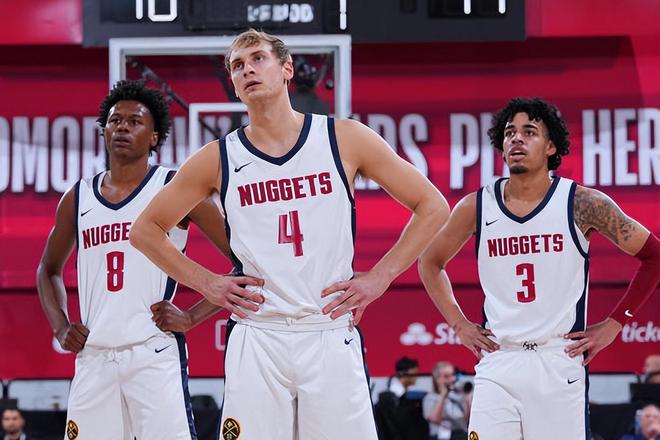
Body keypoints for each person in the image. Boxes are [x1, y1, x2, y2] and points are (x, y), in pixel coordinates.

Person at [130, 29, 449, 439]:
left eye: (257, 58)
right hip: (258, 334)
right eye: (237, 66)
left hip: (327, 328)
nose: (248, 70)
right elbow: (145, 230)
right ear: (234, 84)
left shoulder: (343, 138)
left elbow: (433, 205)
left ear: (286, 69)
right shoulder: (217, 158)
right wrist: (207, 282)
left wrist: (380, 277)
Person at [418, 97, 660, 440]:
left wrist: (615, 323)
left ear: (550, 146)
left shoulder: (582, 203)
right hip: (499, 360)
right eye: (509, 133)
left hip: (557, 360)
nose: (516, 138)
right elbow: (429, 263)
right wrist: (459, 324)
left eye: (529, 132)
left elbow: (654, 257)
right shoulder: (476, 205)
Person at [36, 80, 242, 440]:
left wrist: (191, 317)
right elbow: (48, 270)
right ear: (104, 131)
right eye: (115, 121)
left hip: (153, 352)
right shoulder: (78, 197)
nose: (122, 127)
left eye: (134, 121)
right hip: (94, 355)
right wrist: (61, 327)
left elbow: (245, 262)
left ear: (154, 137)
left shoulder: (175, 188)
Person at [423, 362, 470, 440]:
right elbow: (435, 419)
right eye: (446, 376)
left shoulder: (457, 396)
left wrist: (467, 398)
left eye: (453, 375)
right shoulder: (430, 397)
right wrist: (443, 396)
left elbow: (465, 420)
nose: (452, 379)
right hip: (440, 436)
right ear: (437, 379)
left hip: (461, 434)